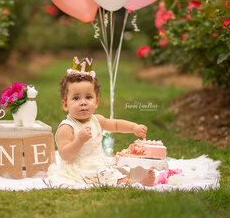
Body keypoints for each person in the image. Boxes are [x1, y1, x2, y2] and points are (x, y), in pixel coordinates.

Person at [46, 57, 155, 187]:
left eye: (88, 97)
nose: (83, 102)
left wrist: (134, 127)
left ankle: (129, 178)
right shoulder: (67, 127)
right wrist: (79, 140)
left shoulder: (97, 120)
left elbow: (115, 125)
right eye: (76, 98)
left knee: (118, 169)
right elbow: (65, 155)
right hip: (79, 169)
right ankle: (137, 184)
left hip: (97, 163)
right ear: (65, 105)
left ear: (96, 102)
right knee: (107, 175)